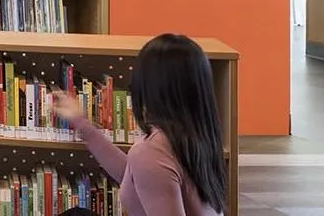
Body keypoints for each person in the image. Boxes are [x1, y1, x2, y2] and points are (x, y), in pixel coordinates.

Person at [49, 33, 230, 216]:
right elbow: (137, 177)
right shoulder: (197, 137)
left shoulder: (153, 150)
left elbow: (148, 170)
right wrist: (82, 124)